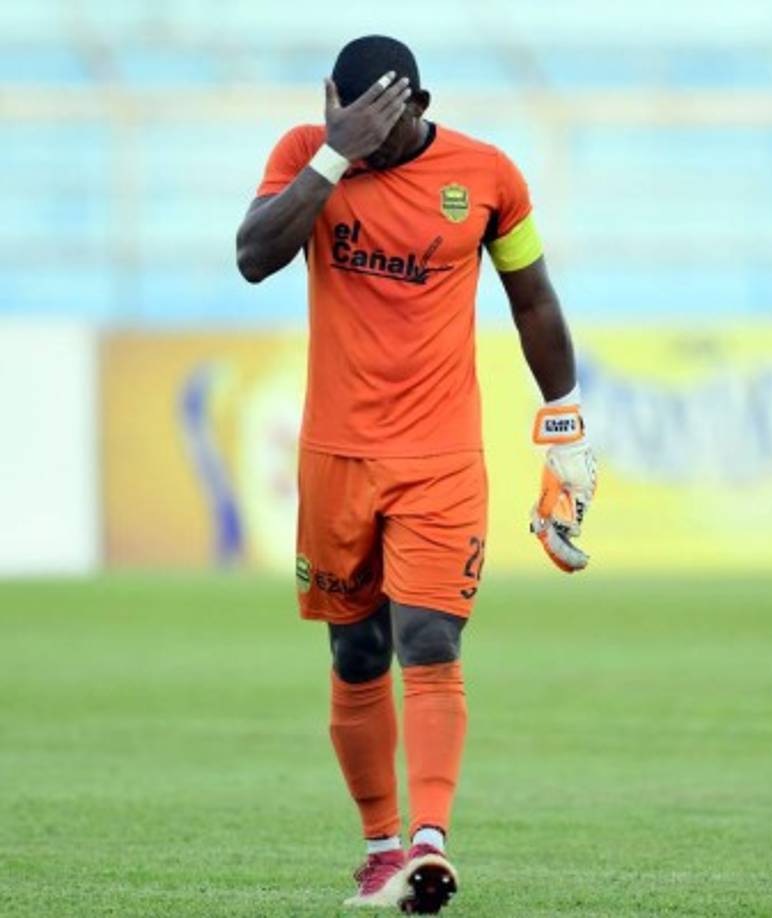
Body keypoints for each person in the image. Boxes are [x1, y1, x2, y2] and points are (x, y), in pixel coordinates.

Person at [236, 34, 597, 914]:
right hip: (336, 457)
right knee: (355, 650)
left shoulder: (489, 177)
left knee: (429, 640)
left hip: (440, 458)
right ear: (331, 103)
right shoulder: (307, 154)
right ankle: (380, 850)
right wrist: (334, 153)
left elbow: (533, 298)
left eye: (380, 124)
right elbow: (253, 256)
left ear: (420, 106)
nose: (365, 137)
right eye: (346, 115)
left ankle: (430, 846)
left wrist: (565, 426)